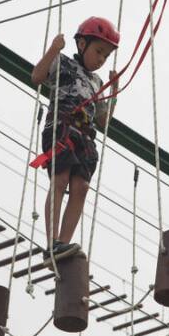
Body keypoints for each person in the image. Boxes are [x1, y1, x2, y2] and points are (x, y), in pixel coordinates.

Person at [30, 17, 120, 264]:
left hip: (85, 135)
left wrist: (113, 92)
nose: (101, 59)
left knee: (81, 187)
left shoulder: (97, 82)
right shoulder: (62, 63)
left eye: (106, 56)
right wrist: (53, 49)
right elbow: (37, 76)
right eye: (98, 51)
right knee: (60, 179)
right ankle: (52, 243)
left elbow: (103, 121)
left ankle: (63, 244)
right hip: (62, 127)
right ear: (82, 44)